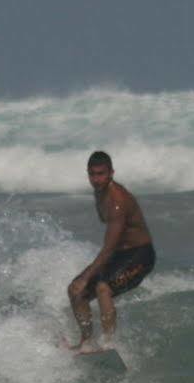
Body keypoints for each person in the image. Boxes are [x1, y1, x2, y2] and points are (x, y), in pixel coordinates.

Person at [66, 150, 155, 353]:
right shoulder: (100, 192)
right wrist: (81, 282)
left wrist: (86, 277)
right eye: (92, 174)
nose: (96, 179)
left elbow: (109, 248)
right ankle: (86, 342)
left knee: (102, 288)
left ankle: (108, 343)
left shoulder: (117, 201)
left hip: (140, 255)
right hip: (119, 256)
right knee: (74, 290)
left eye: (101, 174)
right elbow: (112, 251)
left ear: (111, 173)